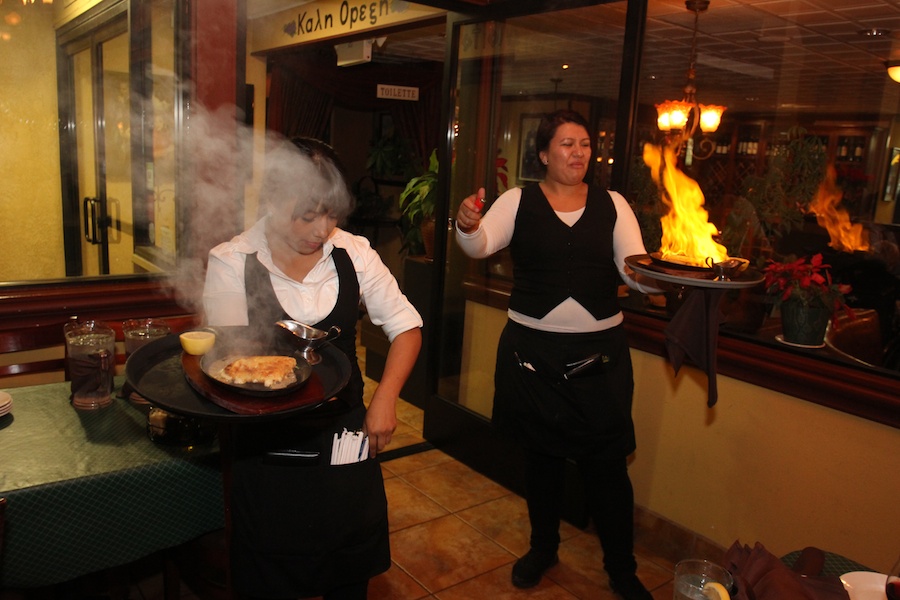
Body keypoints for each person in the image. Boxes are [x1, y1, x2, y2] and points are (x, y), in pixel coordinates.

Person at [202, 137, 423, 600]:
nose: (321, 230)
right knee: (268, 573)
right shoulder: (231, 261)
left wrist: (384, 401)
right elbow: (224, 364)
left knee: (348, 568)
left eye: (333, 215)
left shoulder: (355, 254)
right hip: (265, 444)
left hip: (344, 433)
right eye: (307, 215)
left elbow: (407, 328)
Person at [454, 109, 662, 600]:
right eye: (566, 144)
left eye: (585, 144)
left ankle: (621, 569)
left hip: (600, 358)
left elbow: (633, 271)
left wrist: (661, 274)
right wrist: (466, 226)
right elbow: (480, 245)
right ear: (544, 154)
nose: (578, 153)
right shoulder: (517, 200)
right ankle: (543, 548)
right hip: (533, 354)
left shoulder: (614, 204)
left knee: (607, 468)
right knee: (542, 462)